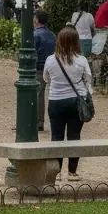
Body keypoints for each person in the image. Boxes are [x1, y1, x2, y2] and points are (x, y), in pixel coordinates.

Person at [43, 25, 93, 180]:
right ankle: (72, 171)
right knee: (74, 136)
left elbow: (46, 78)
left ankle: (55, 171)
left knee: (56, 136)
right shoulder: (81, 60)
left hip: (56, 101)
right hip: (75, 101)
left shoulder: (51, 60)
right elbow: (88, 80)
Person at [33, 9, 57, 132]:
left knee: (37, 94)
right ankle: (40, 121)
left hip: (38, 67)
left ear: (36, 20)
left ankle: (36, 121)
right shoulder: (52, 35)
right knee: (43, 94)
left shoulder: (35, 34)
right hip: (50, 67)